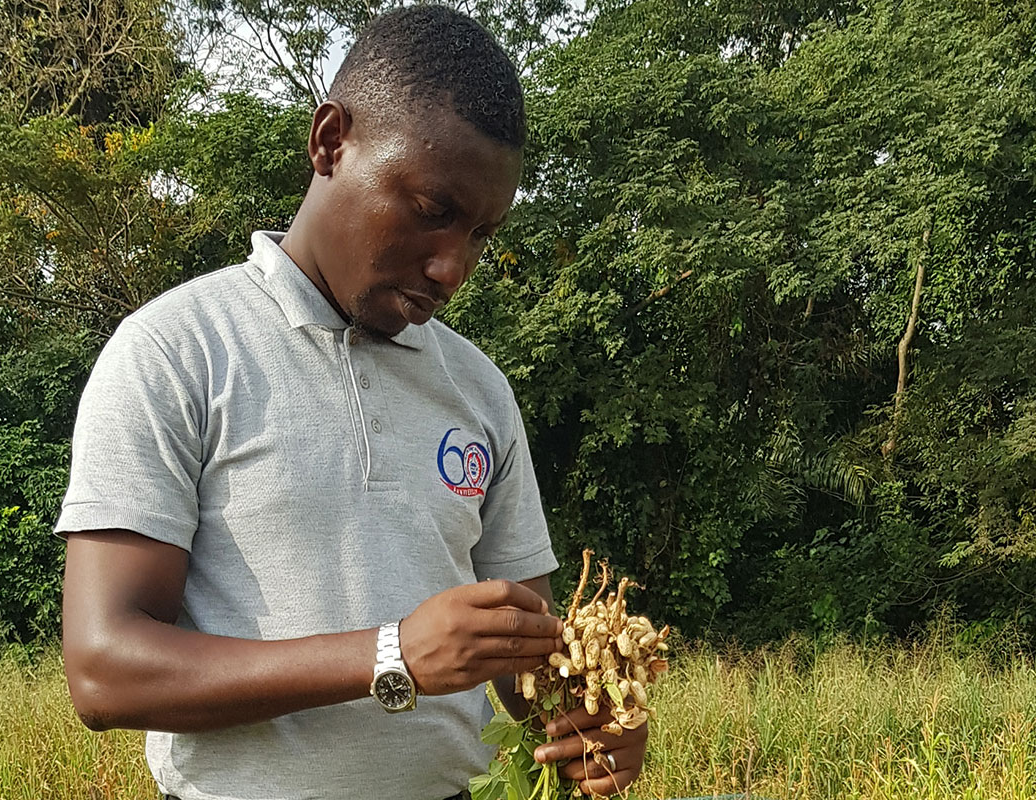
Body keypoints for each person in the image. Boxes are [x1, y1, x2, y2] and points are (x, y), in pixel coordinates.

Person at [56, 6, 649, 799]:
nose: (452, 266)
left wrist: (595, 716)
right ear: (331, 141)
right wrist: (390, 655)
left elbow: (523, 657)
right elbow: (104, 670)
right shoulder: (178, 351)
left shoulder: (477, 388)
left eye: (480, 234)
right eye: (433, 211)